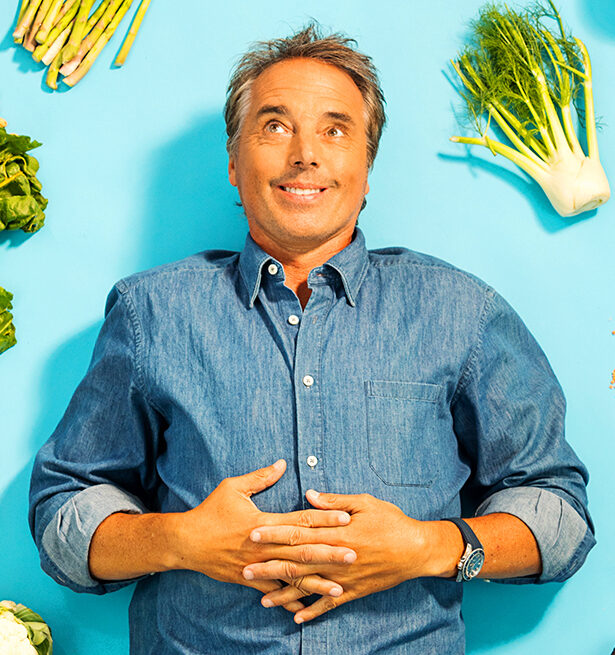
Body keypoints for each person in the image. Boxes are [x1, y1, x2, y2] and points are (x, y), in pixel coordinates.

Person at [29, 23, 595, 654]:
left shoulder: (462, 311)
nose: (305, 153)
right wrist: (179, 539)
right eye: (275, 125)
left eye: (335, 129)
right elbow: (63, 512)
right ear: (235, 164)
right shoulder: (150, 312)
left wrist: (430, 547)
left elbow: (561, 517)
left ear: (366, 166)